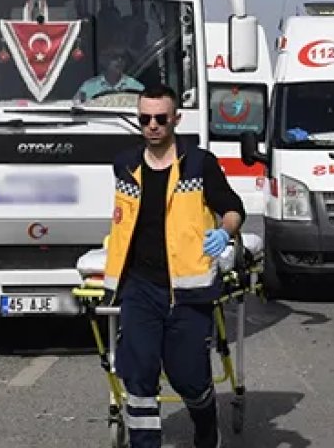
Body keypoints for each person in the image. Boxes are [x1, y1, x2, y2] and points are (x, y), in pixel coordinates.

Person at [102, 83, 244, 448]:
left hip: (188, 290)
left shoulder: (199, 164)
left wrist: (224, 232)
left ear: (175, 119)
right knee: (139, 373)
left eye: (160, 118)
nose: (152, 125)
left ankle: (206, 423)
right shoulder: (125, 165)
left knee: (189, 378)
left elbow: (231, 207)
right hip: (140, 287)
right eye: (144, 118)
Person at [75, 46, 145, 103]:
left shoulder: (136, 87)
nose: (119, 61)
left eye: (122, 57)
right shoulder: (88, 87)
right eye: (115, 57)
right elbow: (77, 106)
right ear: (105, 61)